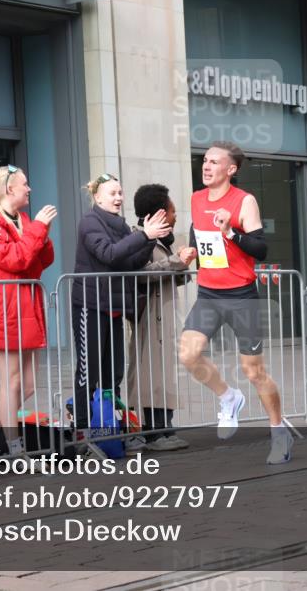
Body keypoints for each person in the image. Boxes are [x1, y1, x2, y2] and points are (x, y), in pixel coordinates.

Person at [178, 142, 292, 465]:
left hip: (241, 296)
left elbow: (261, 249)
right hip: (209, 293)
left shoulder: (244, 201)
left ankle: (278, 433)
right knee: (188, 353)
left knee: (254, 371)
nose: (206, 165)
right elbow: (198, 232)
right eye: (205, 160)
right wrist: (189, 251)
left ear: (231, 169)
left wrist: (230, 232)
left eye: (214, 161)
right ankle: (229, 398)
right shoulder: (197, 198)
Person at [0, 165, 56, 459]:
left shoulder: (21, 219)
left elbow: (38, 261)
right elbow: (14, 260)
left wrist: (42, 233)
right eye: (25, 184)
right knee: (13, 382)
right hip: (1, 308)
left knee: (26, 384)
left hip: (21, 305)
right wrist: (38, 230)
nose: (29, 189)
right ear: (9, 189)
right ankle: (15, 450)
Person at [71, 173, 170, 431]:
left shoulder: (122, 226)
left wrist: (149, 240)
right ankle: (82, 427)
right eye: (112, 193)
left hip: (113, 307)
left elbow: (130, 263)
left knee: (113, 372)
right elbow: (109, 254)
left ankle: (110, 425)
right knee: (88, 371)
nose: (118, 198)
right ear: (97, 197)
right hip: (90, 306)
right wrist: (144, 235)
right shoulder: (90, 222)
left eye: (120, 193)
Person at [125, 184, 196, 453]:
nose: (175, 215)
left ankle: (164, 427)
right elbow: (141, 273)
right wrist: (176, 261)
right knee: (149, 372)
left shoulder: (162, 241)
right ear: (159, 213)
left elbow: (169, 276)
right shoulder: (139, 238)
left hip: (163, 314)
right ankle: (152, 431)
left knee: (162, 373)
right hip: (148, 316)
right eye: (172, 210)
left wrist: (181, 263)